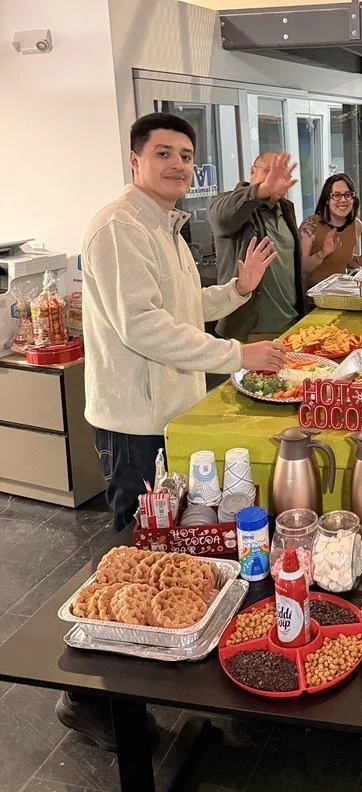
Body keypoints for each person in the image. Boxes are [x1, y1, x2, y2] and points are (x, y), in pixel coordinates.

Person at [68, 112, 285, 748]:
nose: (178, 166)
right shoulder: (117, 227)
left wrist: (236, 292)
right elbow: (143, 327)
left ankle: (158, 668)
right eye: (164, 153)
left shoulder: (164, 225)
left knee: (167, 550)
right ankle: (90, 699)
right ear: (135, 159)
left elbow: (182, 311)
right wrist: (237, 356)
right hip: (134, 422)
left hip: (171, 417)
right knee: (130, 558)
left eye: (187, 156)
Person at [209, 151, 306, 341]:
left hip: (291, 326)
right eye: (269, 172)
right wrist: (261, 190)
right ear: (252, 172)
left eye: (281, 175)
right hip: (250, 333)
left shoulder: (286, 209)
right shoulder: (234, 205)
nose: (275, 180)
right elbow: (220, 217)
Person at [299, 173, 362, 287]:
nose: (343, 200)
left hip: (339, 293)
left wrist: (360, 260)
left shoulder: (356, 225)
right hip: (312, 299)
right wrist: (322, 254)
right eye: (336, 195)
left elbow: (345, 261)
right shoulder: (310, 226)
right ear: (327, 200)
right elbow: (301, 269)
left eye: (348, 195)